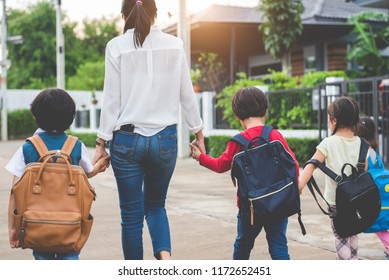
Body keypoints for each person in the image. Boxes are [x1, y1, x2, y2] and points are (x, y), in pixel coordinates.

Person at [93, 0, 205, 260]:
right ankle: (165, 261)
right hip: (165, 139)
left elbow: (111, 100)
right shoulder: (175, 44)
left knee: (131, 217)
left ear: (124, 13)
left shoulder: (116, 46)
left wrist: (101, 143)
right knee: (156, 206)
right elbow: (186, 93)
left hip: (126, 141)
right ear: (155, 13)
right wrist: (198, 134)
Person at [190, 87, 299, 260]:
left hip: (250, 208)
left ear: (238, 116)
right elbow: (294, 165)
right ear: (265, 110)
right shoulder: (275, 134)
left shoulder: (238, 142)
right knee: (279, 246)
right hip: (278, 202)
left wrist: (200, 157)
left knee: (243, 245)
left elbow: (220, 165)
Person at [5, 88, 109, 260]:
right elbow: (89, 172)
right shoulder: (76, 145)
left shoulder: (28, 147)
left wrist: (13, 229)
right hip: (71, 225)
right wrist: (100, 164)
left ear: (36, 116)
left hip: (38, 227)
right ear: (71, 118)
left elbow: (14, 192)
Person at [298, 96, 362, 260]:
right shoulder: (363, 144)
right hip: (357, 201)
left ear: (334, 121)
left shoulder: (328, 143)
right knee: (353, 234)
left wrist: (299, 186)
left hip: (336, 202)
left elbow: (311, 164)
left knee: (341, 237)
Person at [356, 116, 389, 260]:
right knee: (382, 223)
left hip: (372, 196)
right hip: (382, 196)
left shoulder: (362, 153)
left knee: (378, 226)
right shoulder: (374, 152)